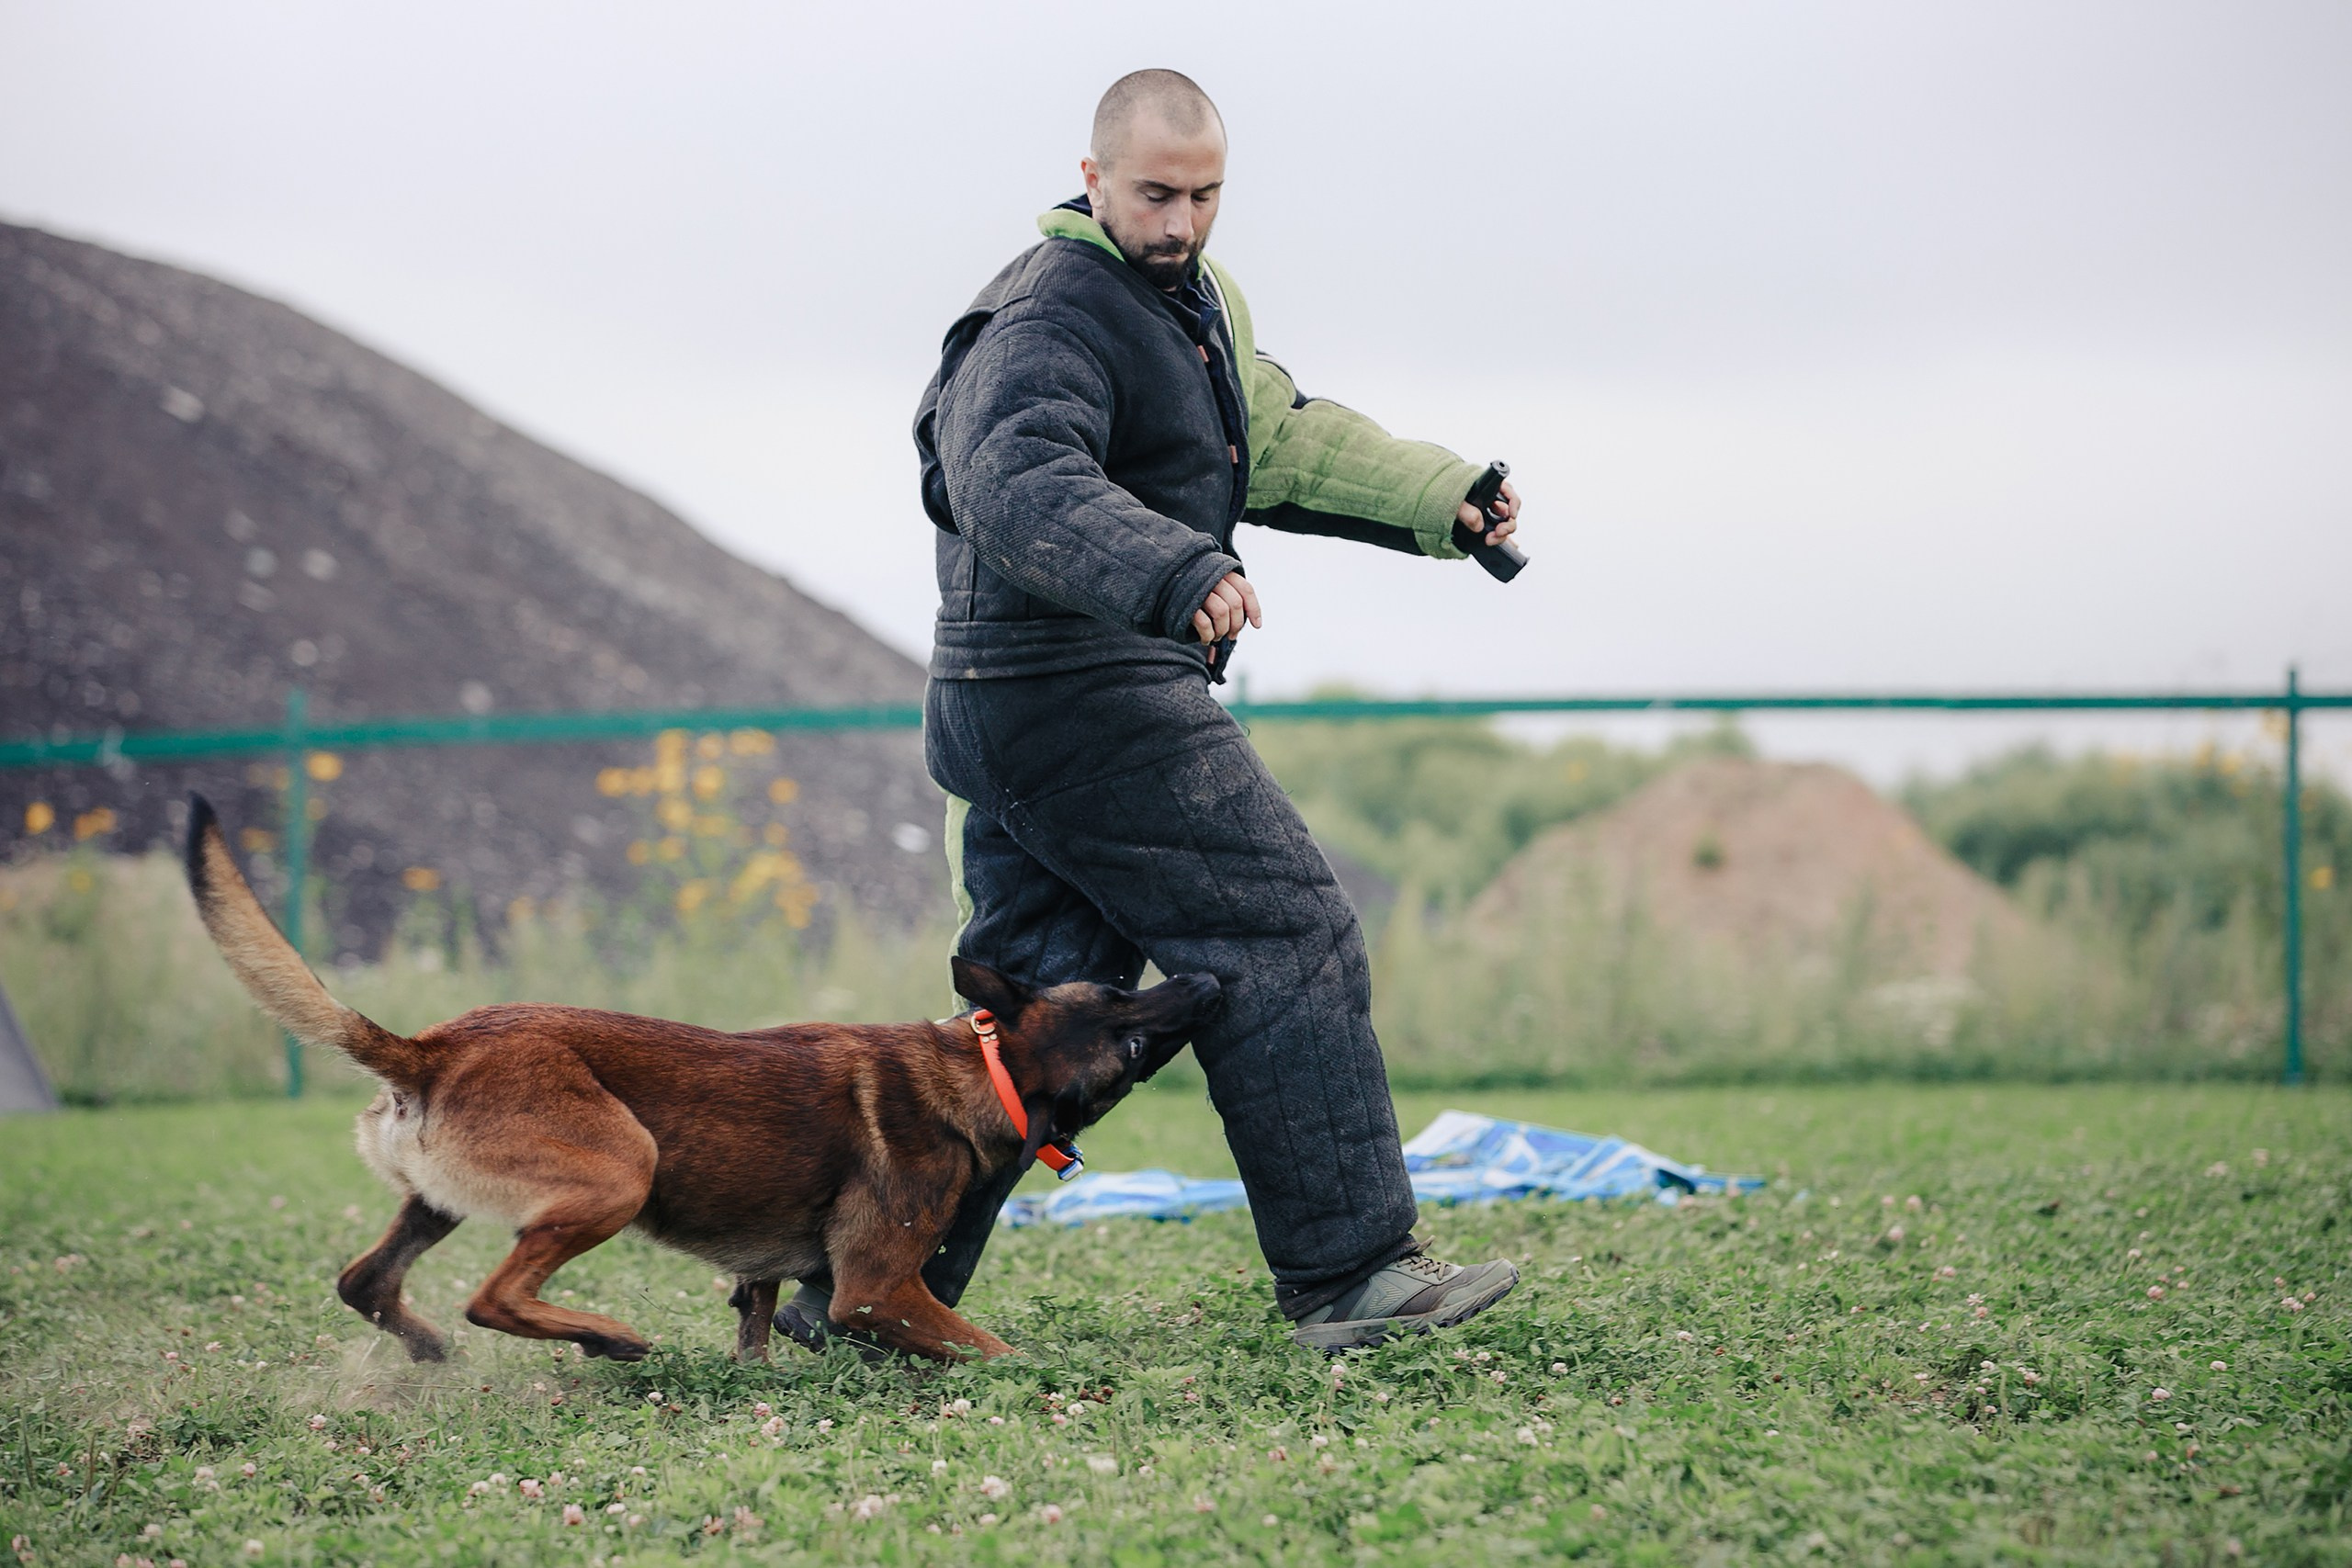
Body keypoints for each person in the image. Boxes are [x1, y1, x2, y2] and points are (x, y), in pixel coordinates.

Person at [781, 68, 1523, 1354]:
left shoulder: (1187, 306)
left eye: (1205, 194)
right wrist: (1172, 568)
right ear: (1093, 179)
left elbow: (1271, 437)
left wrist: (1441, 496)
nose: (1181, 221)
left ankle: (856, 1292)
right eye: (1156, 194)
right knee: (1283, 932)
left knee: (1026, 1034)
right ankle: (1353, 1279)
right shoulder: (1045, 318)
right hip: (1078, 695)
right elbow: (1012, 475)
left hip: (1030, 707)